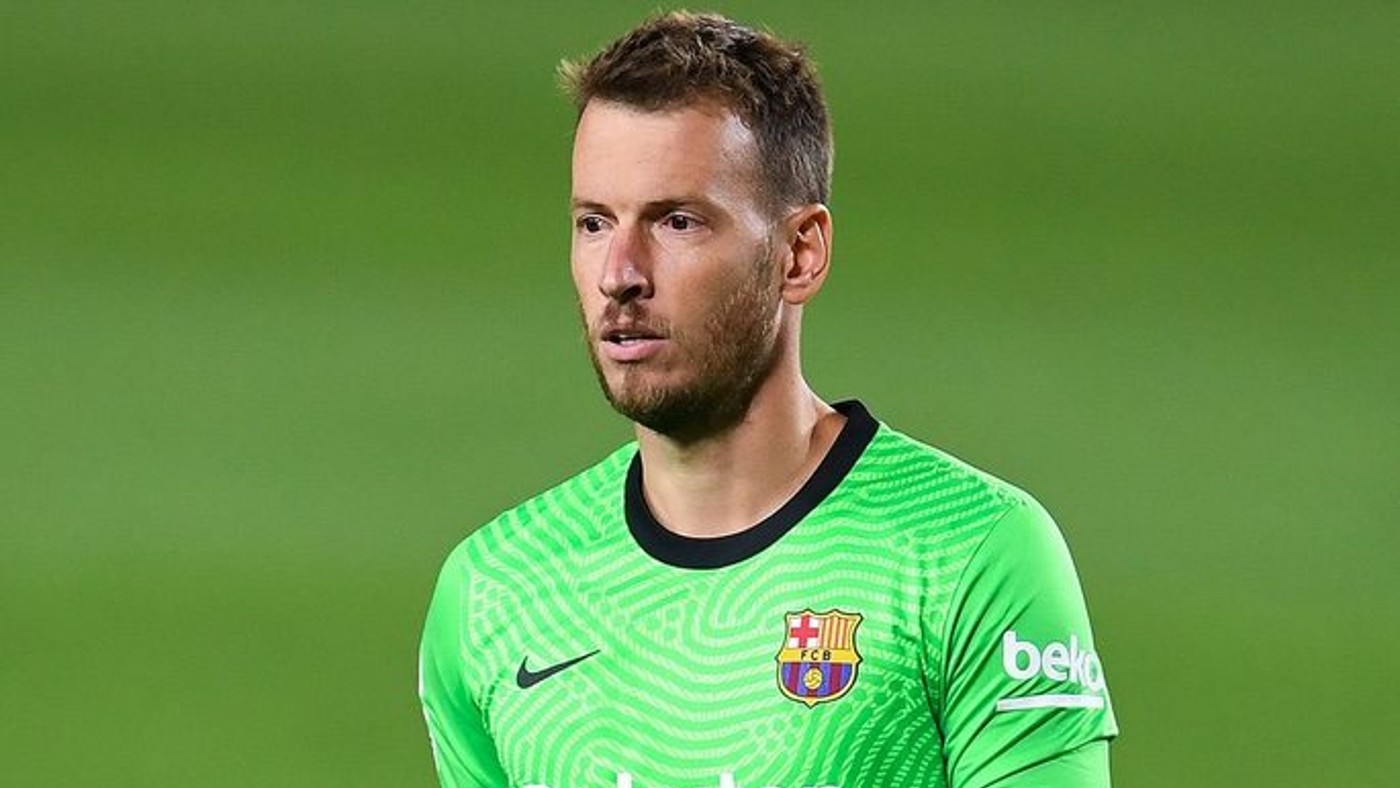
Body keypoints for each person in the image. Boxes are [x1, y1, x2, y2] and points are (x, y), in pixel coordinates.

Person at [419, 11, 1118, 787]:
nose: (620, 273)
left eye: (677, 221)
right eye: (594, 223)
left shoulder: (967, 553)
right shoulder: (494, 589)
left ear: (799, 255)